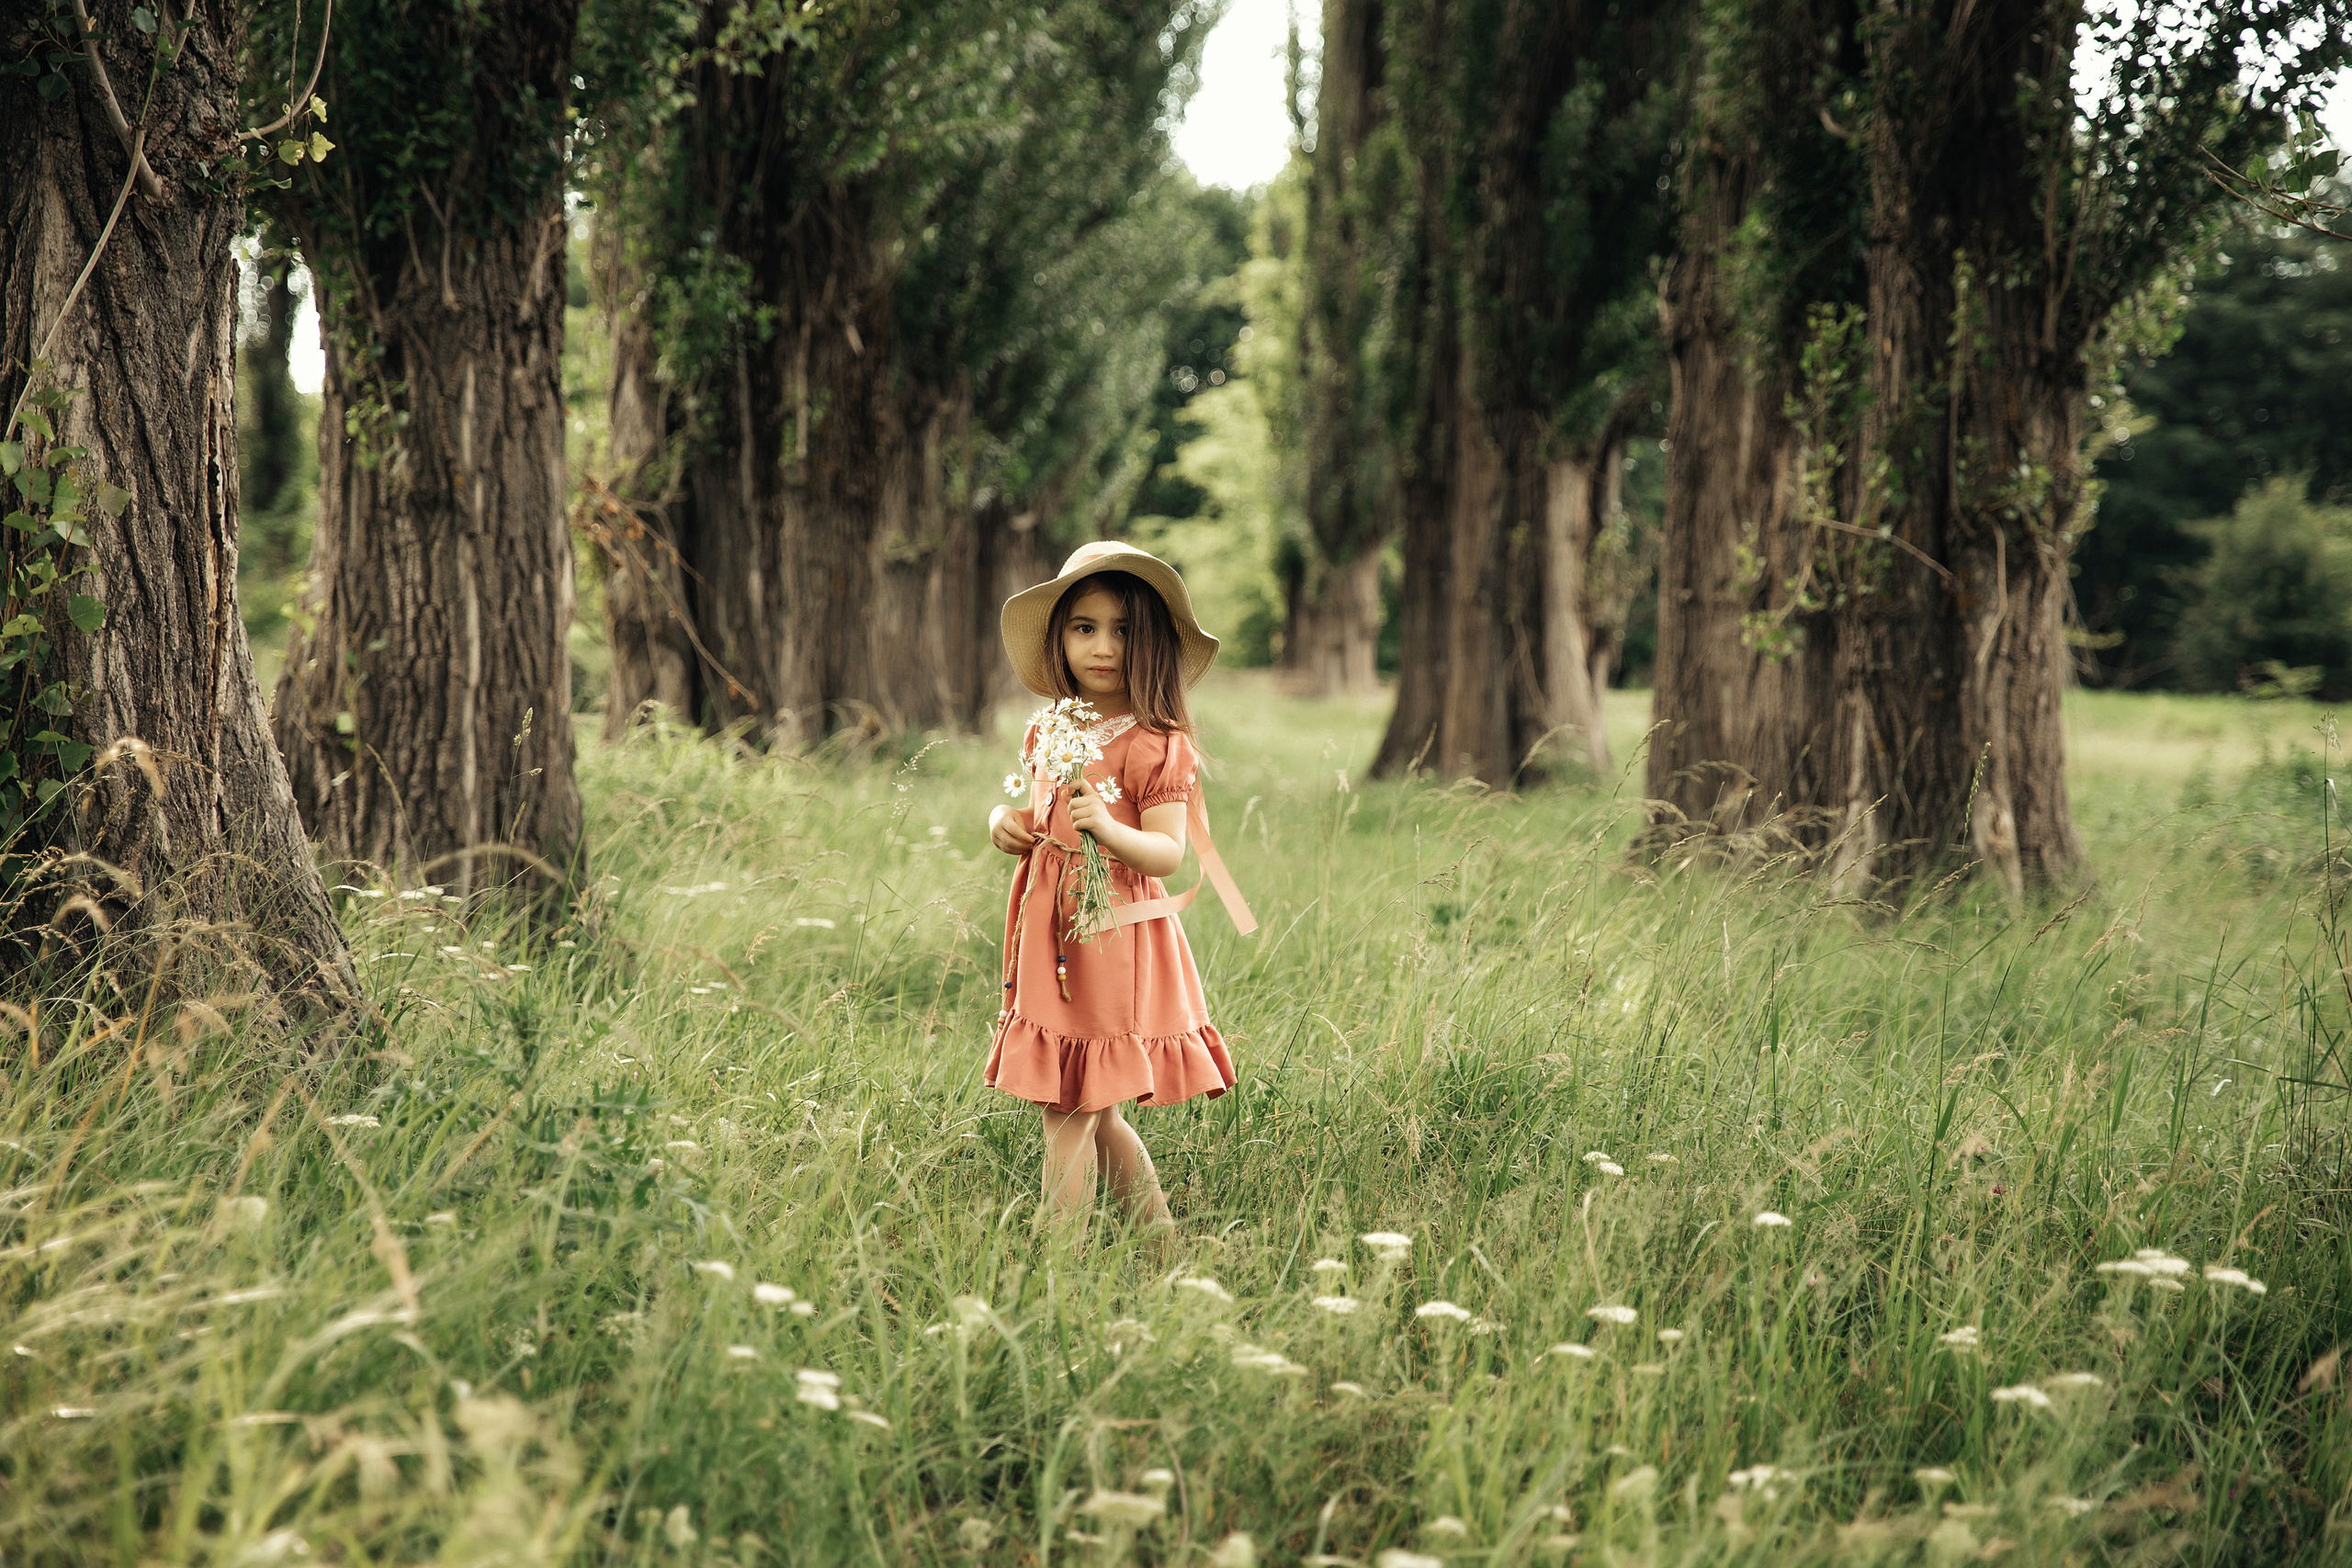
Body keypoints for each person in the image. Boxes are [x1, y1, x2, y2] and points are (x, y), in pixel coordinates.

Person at [985, 541, 1255, 1239]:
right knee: (1096, 1111)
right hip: (1053, 934)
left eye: (1124, 629)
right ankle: (1162, 1249)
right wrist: (1003, 823)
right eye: (1084, 627)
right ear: (1060, 638)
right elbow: (1038, 811)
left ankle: (1058, 1258)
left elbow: (1166, 852)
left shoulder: (1155, 742)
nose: (1103, 646)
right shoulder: (1052, 728)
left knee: (1068, 1105)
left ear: (1152, 642)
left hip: (1112, 935)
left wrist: (1105, 825)